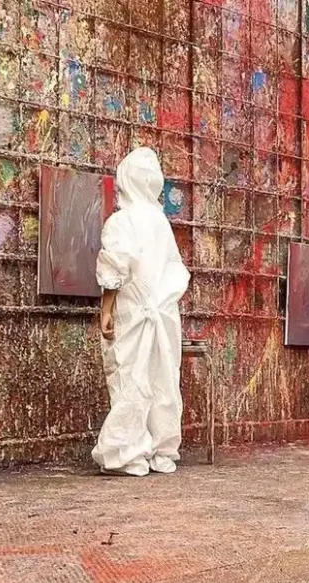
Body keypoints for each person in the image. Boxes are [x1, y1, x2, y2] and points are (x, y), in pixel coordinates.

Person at [91, 147, 190, 476]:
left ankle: (126, 453)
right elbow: (175, 270)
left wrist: (106, 310)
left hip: (134, 312)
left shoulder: (122, 221)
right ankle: (162, 452)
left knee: (130, 378)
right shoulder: (161, 223)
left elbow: (115, 266)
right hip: (163, 315)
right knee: (163, 381)